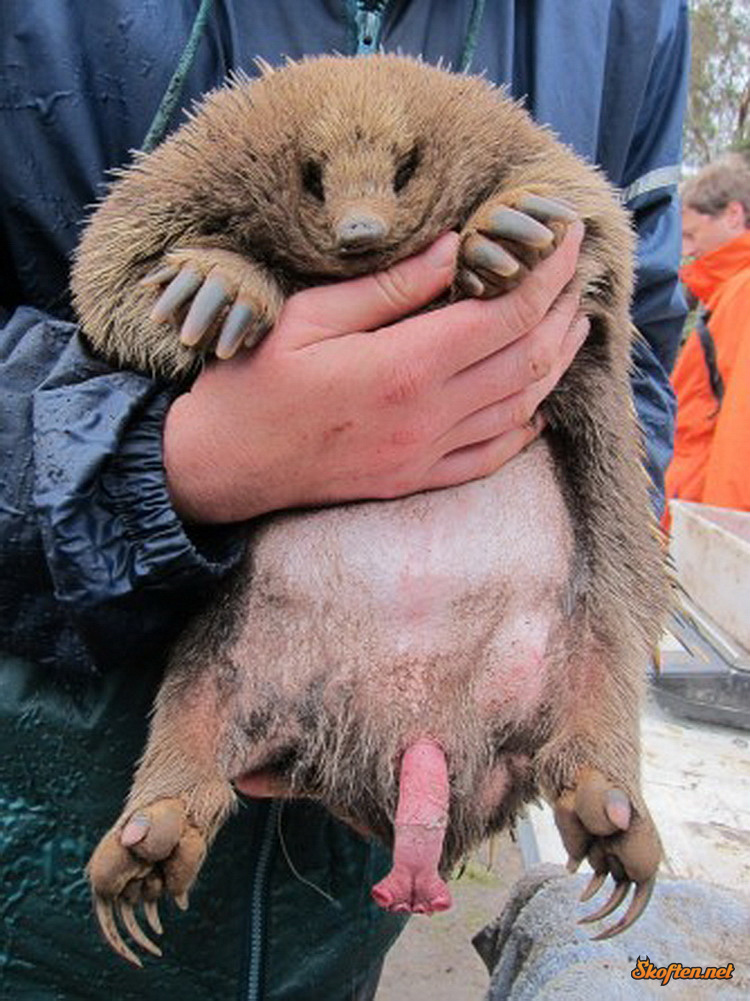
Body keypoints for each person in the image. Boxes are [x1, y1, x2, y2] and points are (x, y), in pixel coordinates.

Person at [0, 2, 688, 998]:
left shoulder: (621, 22)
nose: (361, 222)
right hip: (42, 822)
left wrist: (527, 254)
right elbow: (112, 277)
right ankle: (180, 779)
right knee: (216, 665)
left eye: (399, 180)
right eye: (320, 190)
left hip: (475, 660)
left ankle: (591, 746)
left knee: (606, 589)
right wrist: (178, 448)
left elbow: (628, 313)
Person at [664, 153, 750, 524]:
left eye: (691, 234)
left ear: (733, 215)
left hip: (708, 527)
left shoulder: (743, 295)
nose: (686, 250)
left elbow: (741, 434)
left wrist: (723, 538)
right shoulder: (726, 296)